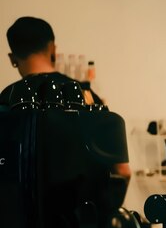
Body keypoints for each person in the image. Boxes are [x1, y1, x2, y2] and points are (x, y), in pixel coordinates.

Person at [1, 16, 130, 180]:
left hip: (19, 204)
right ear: (53, 49)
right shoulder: (85, 95)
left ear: (12, 58)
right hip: (81, 204)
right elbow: (123, 171)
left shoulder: (6, 99)